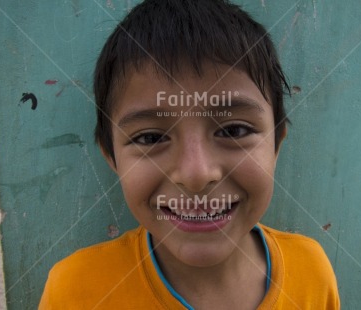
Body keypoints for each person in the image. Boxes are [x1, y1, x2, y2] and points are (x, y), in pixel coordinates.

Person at [39, 0, 340, 309]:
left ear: (276, 145)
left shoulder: (312, 273)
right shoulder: (74, 293)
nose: (196, 175)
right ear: (112, 158)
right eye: (151, 137)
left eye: (234, 131)